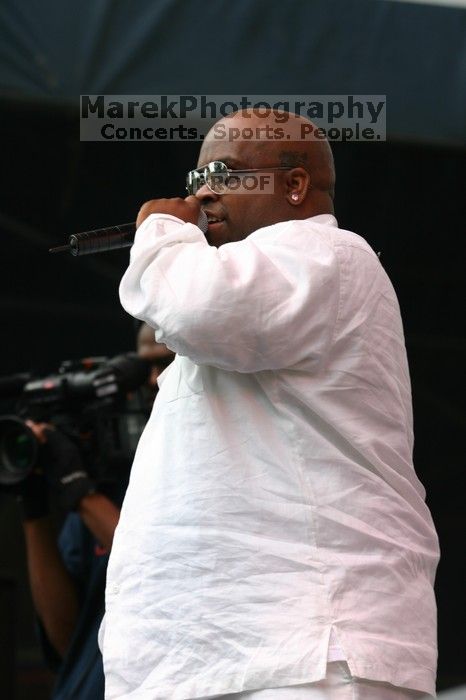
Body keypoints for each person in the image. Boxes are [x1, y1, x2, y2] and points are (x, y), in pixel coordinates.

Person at [100, 110, 440, 699]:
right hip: (207, 656)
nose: (202, 192)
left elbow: (199, 307)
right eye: (195, 176)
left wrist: (161, 232)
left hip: (308, 646)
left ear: (295, 184)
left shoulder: (329, 254)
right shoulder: (246, 294)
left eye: (223, 172)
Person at [19, 324, 174, 699]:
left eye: (168, 364)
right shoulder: (108, 483)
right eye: (145, 368)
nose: (153, 382)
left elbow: (166, 574)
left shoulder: (212, 473)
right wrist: (34, 505)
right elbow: (66, 639)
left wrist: (82, 493)